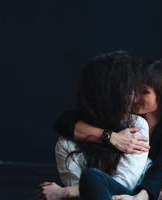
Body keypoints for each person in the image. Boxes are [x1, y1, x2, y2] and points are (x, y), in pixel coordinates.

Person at [52, 58, 162, 200]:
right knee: (92, 177)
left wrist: (141, 197)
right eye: (134, 89)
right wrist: (110, 136)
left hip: (148, 194)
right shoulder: (125, 117)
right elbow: (63, 122)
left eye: (144, 92)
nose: (134, 96)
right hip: (117, 192)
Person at [37, 51, 150, 200]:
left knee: (92, 177)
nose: (135, 99)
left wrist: (66, 192)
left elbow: (125, 183)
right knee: (92, 177)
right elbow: (87, 196)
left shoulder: (136, 125)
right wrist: (109, 137)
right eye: (129, 91)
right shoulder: (66, 145)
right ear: (110, 95)